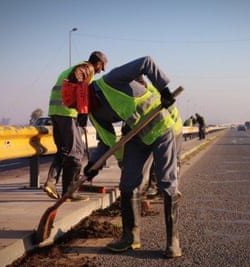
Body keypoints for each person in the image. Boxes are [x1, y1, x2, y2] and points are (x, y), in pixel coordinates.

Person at [63, 56, 182, 258]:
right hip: (135, 135)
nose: (79, 110)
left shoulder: (112, 80)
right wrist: (93, 165)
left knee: (166, 181)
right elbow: (106, 141)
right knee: (128, 184)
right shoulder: (93, 113)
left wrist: (164, 91)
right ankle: (130, 237)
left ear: (84, 96)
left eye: (78, 106)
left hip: (159, 127)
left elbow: (146, 62)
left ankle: (173, 241)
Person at [43, 51, 108, 202]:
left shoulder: (72, 68)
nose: (99, 71)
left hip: (55, 112)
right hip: (67, 112)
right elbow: (78, 80)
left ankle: (51, 183)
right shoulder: (86, 68)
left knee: (65, 150)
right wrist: (83, 112)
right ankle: (70, 192)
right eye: (101, 67)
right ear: (98, 63)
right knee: (77, 151)